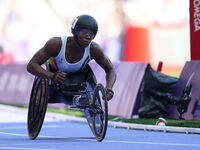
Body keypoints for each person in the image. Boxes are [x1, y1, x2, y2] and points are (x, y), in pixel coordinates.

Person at [27, 14, 116, 100]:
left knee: (88, 79)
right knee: (46, 80)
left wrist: (109, 88)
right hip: (54, 74)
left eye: (91, 34)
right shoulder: (56, 44)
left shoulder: (94, 49)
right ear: (75, 32)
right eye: (84, 32)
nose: (88, 37)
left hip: (78, 76)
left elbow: (110, 69)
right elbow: (31, 65)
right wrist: (51, 76)